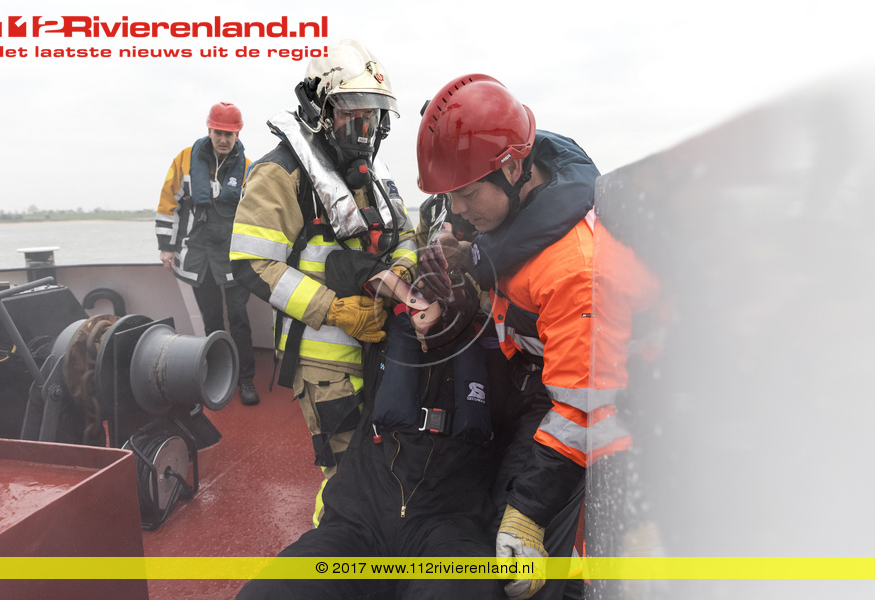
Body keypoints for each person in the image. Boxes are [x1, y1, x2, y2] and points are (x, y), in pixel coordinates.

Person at [416, 74, 633, 599]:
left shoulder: (576, 267)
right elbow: (502, 259)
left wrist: (528, 514)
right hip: (531, 375)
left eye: (466, 195)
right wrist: (461, 259)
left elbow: (583, 409)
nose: (457, 211)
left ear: (513, 169)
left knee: (515, 566)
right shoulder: (515, 201)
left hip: (577, 403)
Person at [235, 261, 507, 600]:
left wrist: (522, 516)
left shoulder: (500, 351)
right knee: (268, 592)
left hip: (447, 526)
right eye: (427, 293)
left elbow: (529, 433)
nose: (435, 305)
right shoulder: (385, 335)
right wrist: (402, 283)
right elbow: (339, 267)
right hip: (357, 523)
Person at [229, 40, 417, 524]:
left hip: (378, 344)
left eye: (372, 115)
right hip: (324, 358)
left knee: (382, 455)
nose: (364, 127)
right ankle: (332, 545)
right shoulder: (280, 173)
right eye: (352, 113)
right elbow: (252, 264)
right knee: (343, 471)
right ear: (320, 110)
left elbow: (405, 237)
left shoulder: (372, 173)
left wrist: (400, 272)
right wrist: (334, 310)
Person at [155, 102, 259, 406]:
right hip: (199, 258)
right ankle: (218, 373)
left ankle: (246, 380)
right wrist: (166, 247)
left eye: (229, 134)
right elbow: (168, 205)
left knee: (239, 318)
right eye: (218, 133)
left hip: (234, 257)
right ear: (209, 130)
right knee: (212, 320)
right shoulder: (184, 160)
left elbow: (258, 215)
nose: (223, 139)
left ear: (238, 134)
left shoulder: (249, 168)